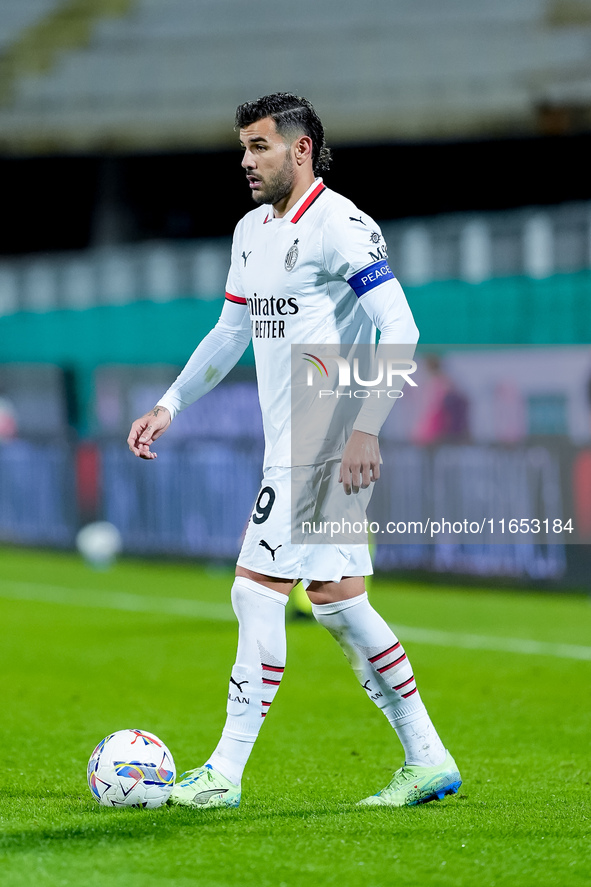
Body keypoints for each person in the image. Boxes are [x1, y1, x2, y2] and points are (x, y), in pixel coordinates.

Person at [127, 93, 461, 808]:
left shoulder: (342, 225)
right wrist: (170, 403)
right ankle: (428, 758)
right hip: (295, 440)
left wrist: (367, 425)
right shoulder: (251, 231)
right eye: (243, 148)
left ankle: (223, 771)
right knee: (338, 603)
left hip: (325, 436)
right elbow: (228, 333)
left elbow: (399, 328)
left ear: (300, 148)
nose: (246, 161)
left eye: (259, 147)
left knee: (253, 589)